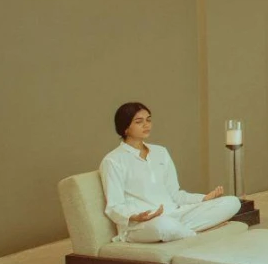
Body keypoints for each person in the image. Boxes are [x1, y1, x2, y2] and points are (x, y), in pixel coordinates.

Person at [99, 102, 241, 243]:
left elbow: (175, 195)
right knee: (164, 226)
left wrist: (203, 199)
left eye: (148, 119)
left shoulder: (160, 152)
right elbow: (114, 206)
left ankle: (182, 231)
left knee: (232, 202)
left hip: (175, 214)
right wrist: (135, 217)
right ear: (125, 128)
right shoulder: (113, 161)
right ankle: (197, 232)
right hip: (143, 225)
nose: (146, 125)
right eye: (139, 121)